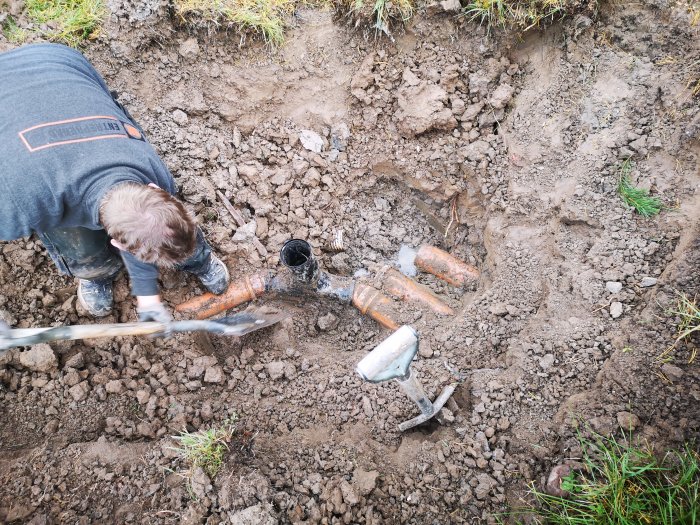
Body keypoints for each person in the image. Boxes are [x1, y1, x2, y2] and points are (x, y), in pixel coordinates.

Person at [0, 43, 230, 322]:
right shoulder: (18, 205)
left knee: (165, 230)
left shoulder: (150, 166)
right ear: (118, 245)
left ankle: (197, 257)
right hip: (19, 107)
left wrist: (147, 297)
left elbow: (144, 226)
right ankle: (94, 272)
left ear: (155, 189)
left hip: (58, 60)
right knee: (77, 242)